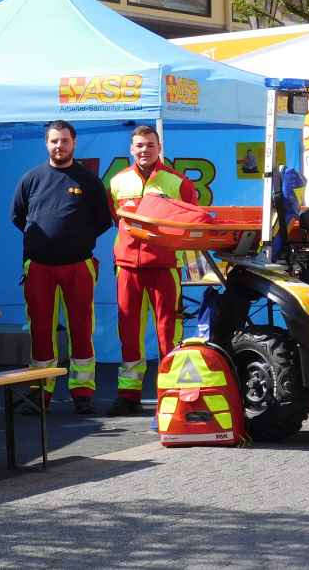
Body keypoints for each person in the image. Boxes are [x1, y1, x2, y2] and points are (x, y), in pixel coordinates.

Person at [11, 120, 112, 415]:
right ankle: (40, 392)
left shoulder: (88, 180)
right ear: (46, 144)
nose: (59, 146)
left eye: (64, 141)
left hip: (78, 266)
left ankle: (83, 393)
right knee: (41, 331)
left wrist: (76, 239)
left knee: (81, 329)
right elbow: (18, 217)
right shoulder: (31, 179)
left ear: (74, 143)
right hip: (40, 267)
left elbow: (103, 220)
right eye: (54, 141)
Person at [107, 125, 198, 416]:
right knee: (128, 332)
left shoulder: (178, 182)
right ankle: (129, 394)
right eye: (138, 146)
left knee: (167, 333)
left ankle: (170, 394)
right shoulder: (117, 182)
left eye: (149, 145)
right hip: (127, 267)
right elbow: (115, 219)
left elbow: (190, 222)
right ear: (131, 149)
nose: (144, 150)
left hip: (164, 266)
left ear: (159, 148)